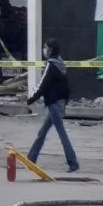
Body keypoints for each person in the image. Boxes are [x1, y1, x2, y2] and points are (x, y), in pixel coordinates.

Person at [26, 38, 79, 173]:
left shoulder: (51, 65)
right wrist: (65, 102)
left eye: (45, 47)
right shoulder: (60, 63)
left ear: (50, 49)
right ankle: (31, 158)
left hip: (54, 103)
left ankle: (73, 163)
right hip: (59, 102)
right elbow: (66, 86)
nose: (44, 50)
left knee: (62, 134)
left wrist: (30, 100)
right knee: (42, 132)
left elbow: (43, 85)